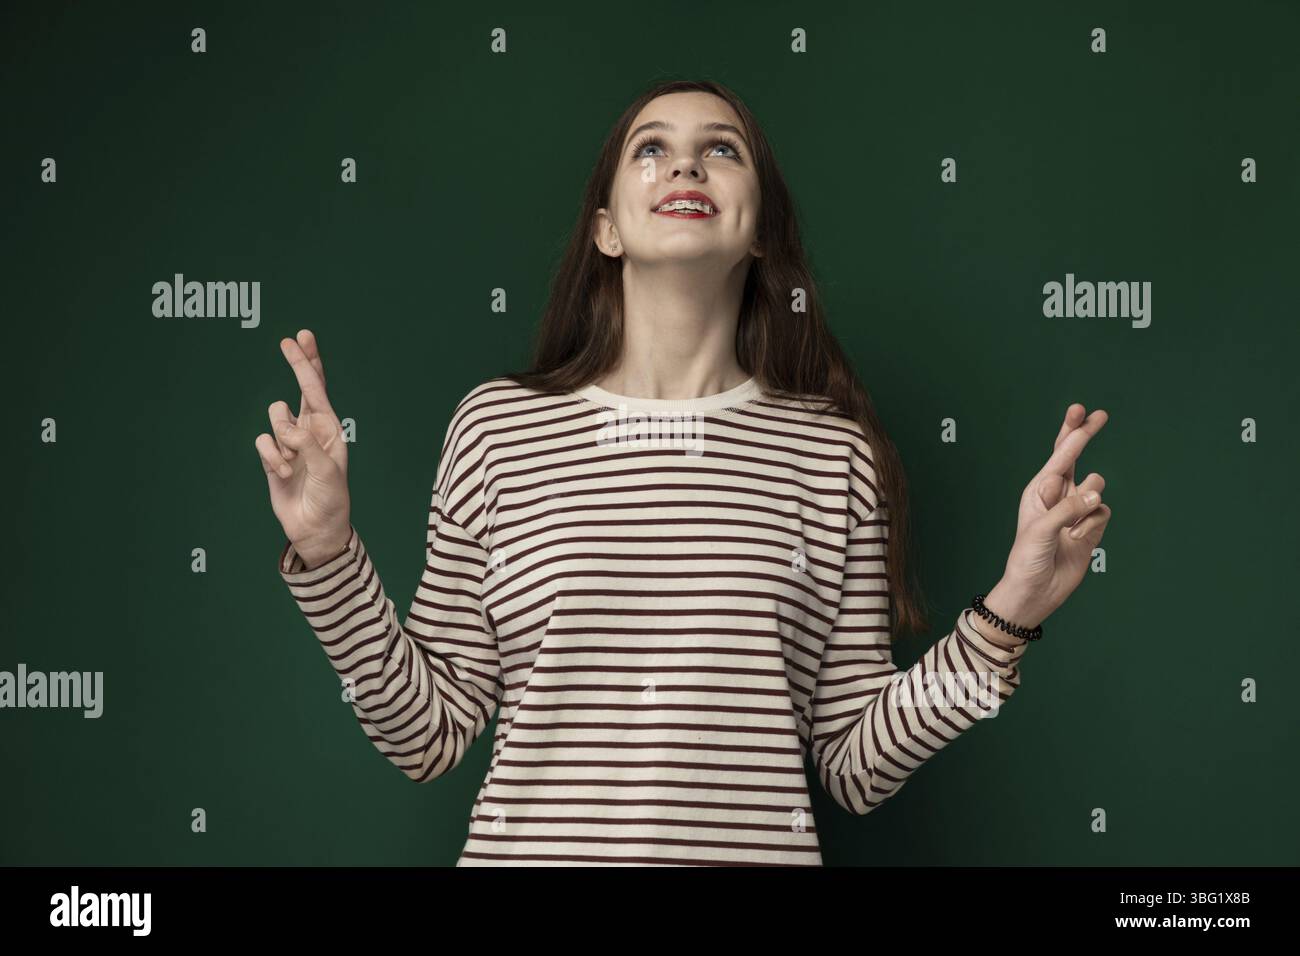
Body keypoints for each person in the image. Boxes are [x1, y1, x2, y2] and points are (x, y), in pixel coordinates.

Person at [255, 80, 1111, 866]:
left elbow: (855, 764)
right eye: (651, 148)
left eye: (722, 148)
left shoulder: (830, 451)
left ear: (763, 233)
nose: (687, 163)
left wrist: (1011, 612)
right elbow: (426, 736)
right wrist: (329, 555)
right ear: (607, 228)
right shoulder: (498, 429)